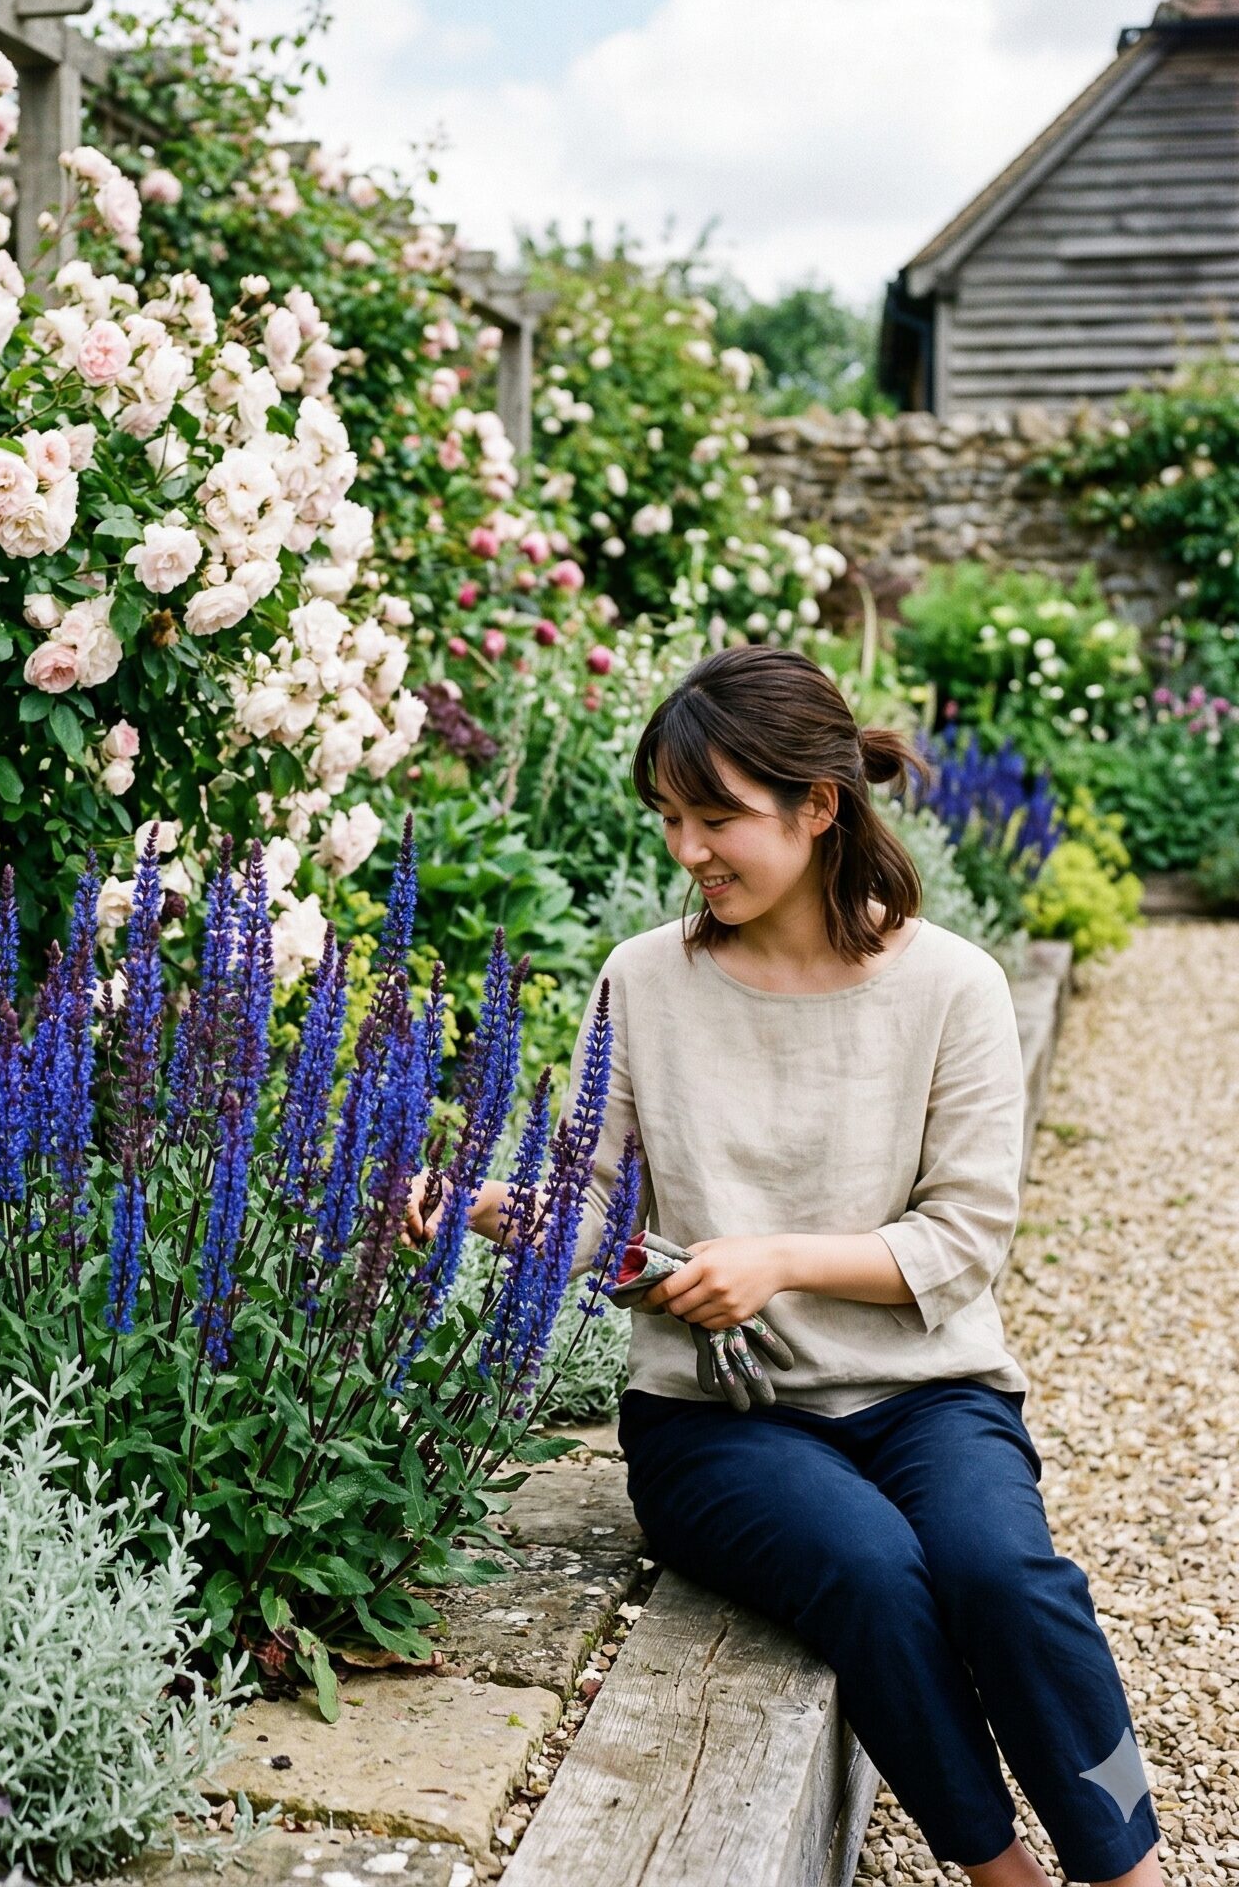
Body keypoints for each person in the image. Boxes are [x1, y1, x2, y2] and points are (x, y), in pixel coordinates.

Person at [410, 644, 1163, 1887]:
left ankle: (1128, 1865)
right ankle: (1003, 1876)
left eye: (714, 817)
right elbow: (593, 1207)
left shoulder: (952, 985)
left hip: (928, 1396)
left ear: (816, 805)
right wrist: (476, 1207)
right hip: (713, 1421)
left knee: (1003, 1575)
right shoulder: (642, 978)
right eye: (668, 818)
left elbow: (965, 1235)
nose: (686, 850)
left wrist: (776, 1261)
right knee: (870, 1569)